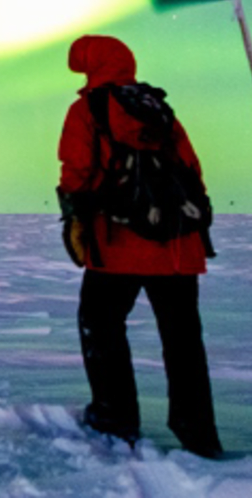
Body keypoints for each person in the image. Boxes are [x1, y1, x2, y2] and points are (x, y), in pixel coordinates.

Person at [57, 33, 223, 458]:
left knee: (100, 324)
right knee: (183, 339)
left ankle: (114, 417)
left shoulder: (88, 109)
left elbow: (76, 169)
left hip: (118, 243)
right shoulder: (158, 108)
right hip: (178, 247)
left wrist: (74, 220)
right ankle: (198, 432)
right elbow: (191, 168)